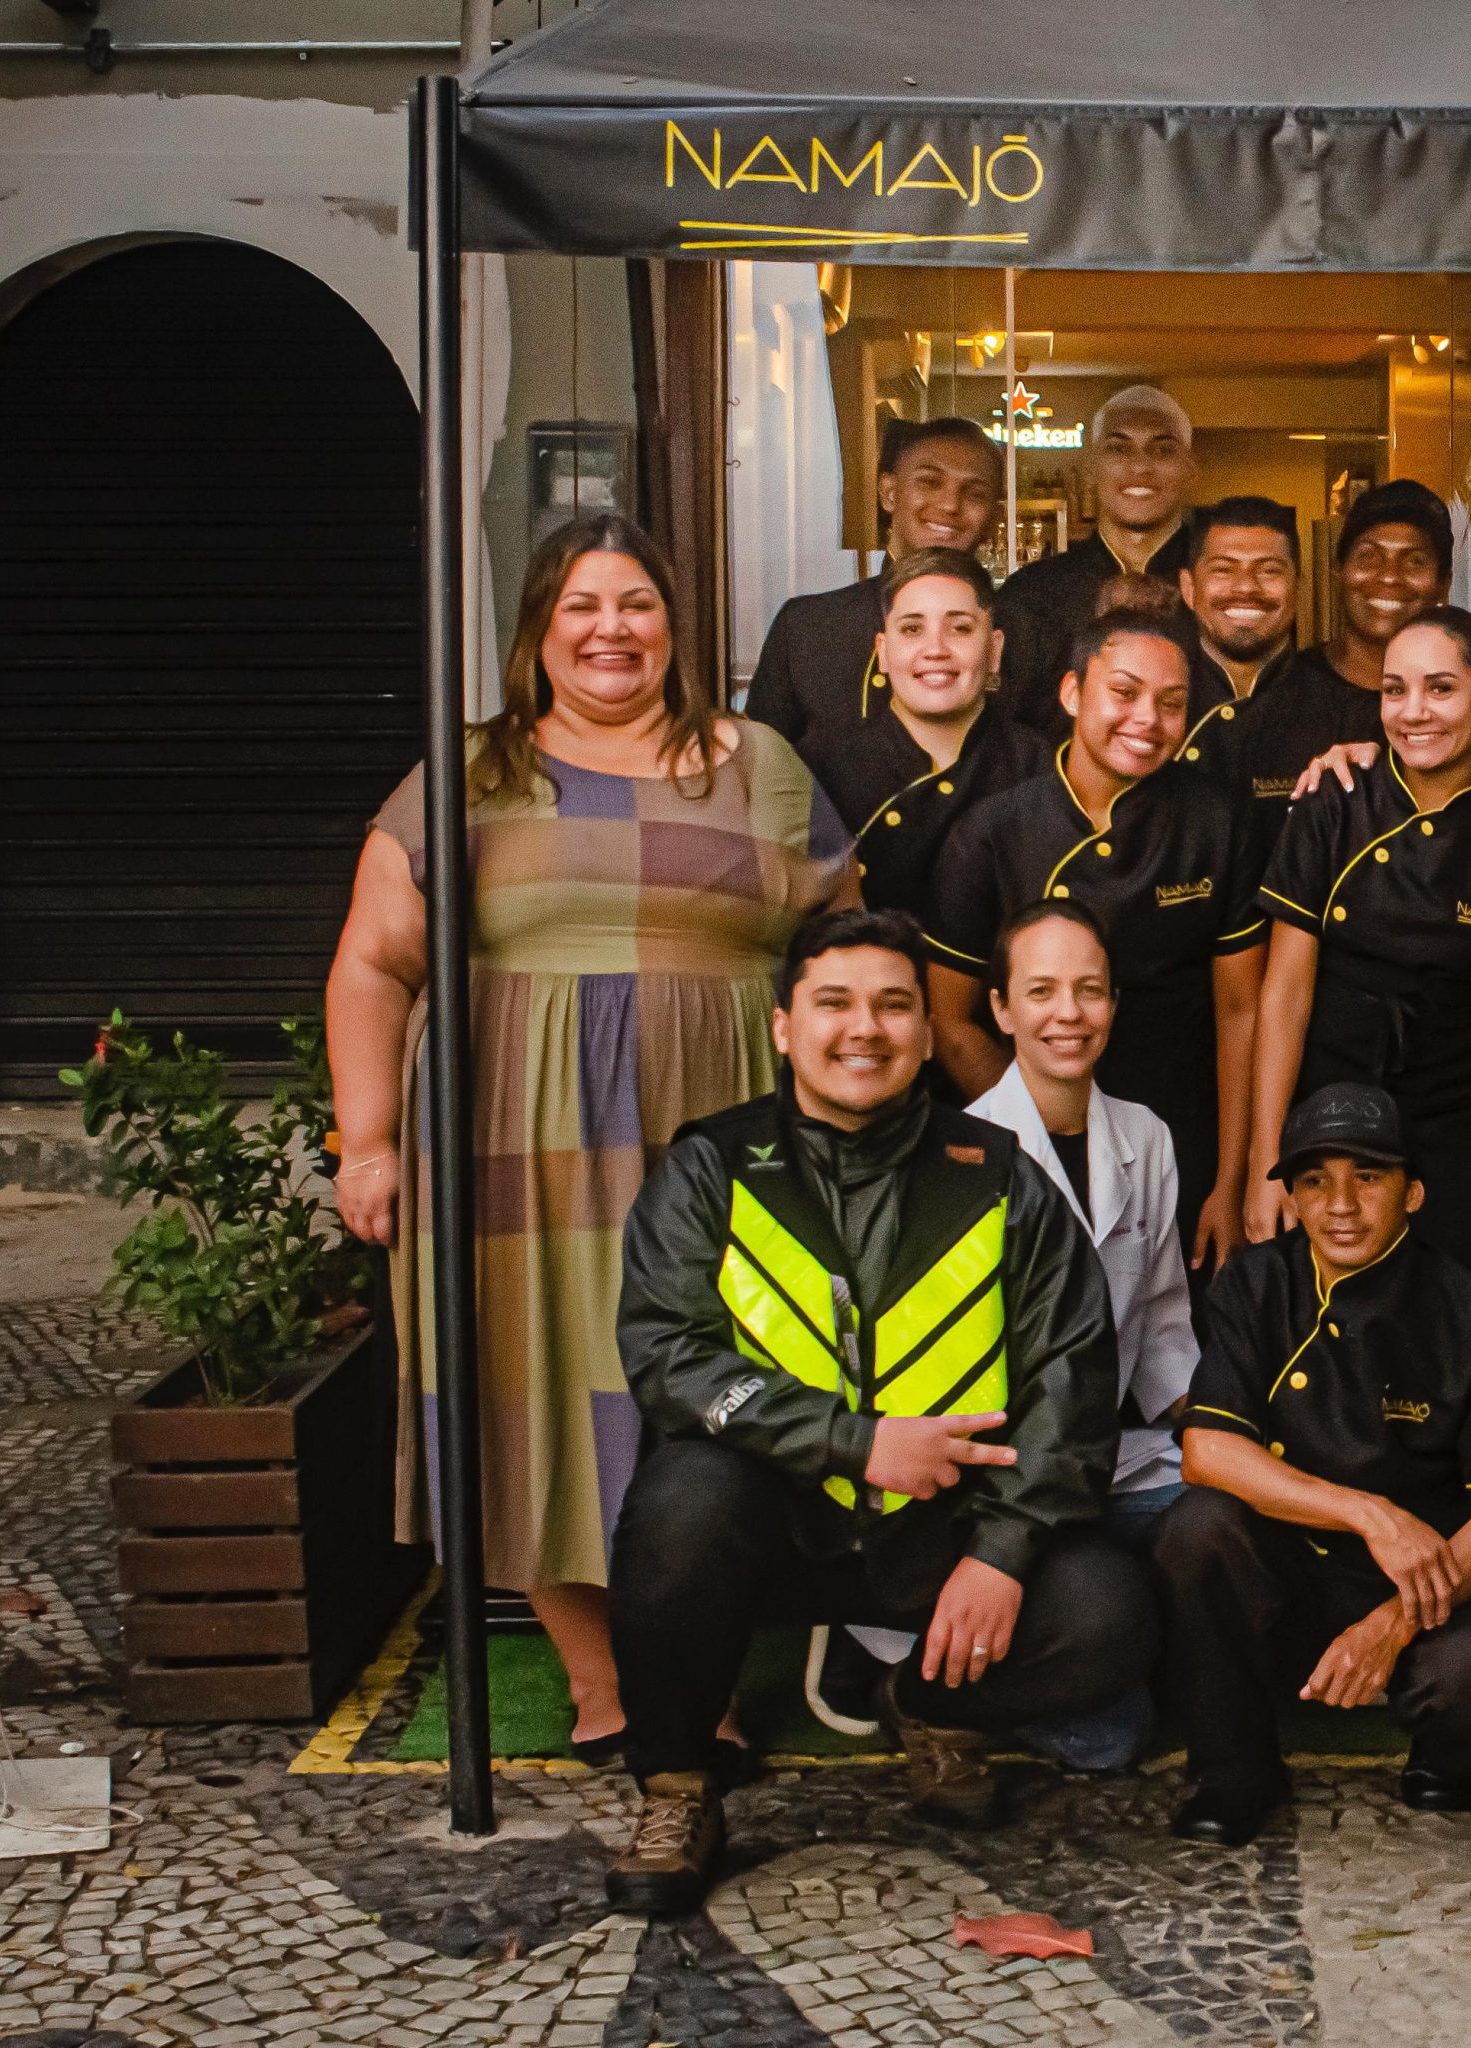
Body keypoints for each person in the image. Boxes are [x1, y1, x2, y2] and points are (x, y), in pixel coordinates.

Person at [325, 514, 857, 1767]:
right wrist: (368, 1142)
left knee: (711, 1391)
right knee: (538, 1388)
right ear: (538, 630)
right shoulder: (463, 775)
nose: (611, 628)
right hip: (513, 1131)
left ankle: (699, 1678)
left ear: (676, 629)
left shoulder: (761, 762)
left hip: (718, 1133)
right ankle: (597, 1679)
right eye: (581, 605)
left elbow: (845, 952)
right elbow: (370, 963)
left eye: (636, 604)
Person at [601, 907, 1152, 1914]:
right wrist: (855, 1442)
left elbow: (1070, 1384)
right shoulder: (710, 1166)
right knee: (677, 1502)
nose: (866, 1028)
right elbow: (670, 1356)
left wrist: (1001, 1551)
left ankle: (931, 1706)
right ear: (782, 1027)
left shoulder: (1000, 1178)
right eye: (835, 1003)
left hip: (942, 1531)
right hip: (767, 1520)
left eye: (894, 1004)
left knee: (1105, 1608)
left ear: (927, 1028)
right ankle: (677, 1784)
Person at [1158, 1082, 1471, 1846]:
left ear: (1414, 1191)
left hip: (1424, 1583)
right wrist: (1371, 1513)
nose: (1340, 1203)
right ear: (1293, 1200)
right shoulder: (1255, 1283)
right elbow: (1207, 1452)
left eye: (1367, 1177)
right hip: (1289, 1566)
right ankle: (1233, 1770)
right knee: (1196, 1529)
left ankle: (1442, 1755)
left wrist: (1391, 1624)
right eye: (1314, 1181)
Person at [1247, 607, 1471, 1288]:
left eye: (1440, 688)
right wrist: (1265, 1163)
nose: (1413, 711)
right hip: (1327, 1113)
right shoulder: (1336, 800)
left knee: (1458, 1328)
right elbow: (1284, 994)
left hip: (1451, 1127)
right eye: (1395, 690)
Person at [927, 605, 1267, 1269]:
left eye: (1172, 703)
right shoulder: (992, 832)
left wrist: (1231, 1180)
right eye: (1124, 693)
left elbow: (1241, 1009)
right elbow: (951, 1020)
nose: (1147, 721)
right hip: (1032, 1133)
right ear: (1072, 693)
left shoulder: (1218, 823)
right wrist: (1033, 1137)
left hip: (1185, 1124)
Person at [968, 900, 1200, 1769]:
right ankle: (934, 1696)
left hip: (1114, 1456)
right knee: (1110, 1742)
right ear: (1002, 1010)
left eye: (1089, 991)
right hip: (1008, 1477)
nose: (1068, 1014)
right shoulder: (964, 1151)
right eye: (1041, 991)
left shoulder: (1145, 1136)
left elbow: (1167, 1319)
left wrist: (1215, 1430)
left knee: (1224, 1512)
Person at [795, 548, 1049, 931]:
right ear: (883, 651)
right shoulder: (823, 766)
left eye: (960, 628)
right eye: (913, 629)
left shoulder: (1036, 765)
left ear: (994, 650)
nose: (936, 650)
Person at [745, 415, 1003, 774]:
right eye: (929, 482)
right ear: (889, 493)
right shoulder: (807, 627)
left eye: (974, 493)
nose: (949, 505)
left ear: (994, 516)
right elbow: (762, 774)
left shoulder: (1023, 630)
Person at [1230, 478, 1451, 862]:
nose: (1389, 576)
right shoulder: (1274, 696)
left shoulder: (1464, 711)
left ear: (1443, 584)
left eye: (1414, 560)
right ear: (1339, 571)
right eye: (1369, 556)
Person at [996, 386, 1198, 736]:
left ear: (1190, 469)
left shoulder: (1218, 589)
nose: (1140, 466)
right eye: (1119, 448)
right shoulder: (1032, 594)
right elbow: (1009, 731)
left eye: (1163, 450)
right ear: (1089, 467)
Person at [1175, 495, 1303, 791]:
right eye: (1223, 569)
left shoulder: (1343, 715)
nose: (1246, 586)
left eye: (1269, 570)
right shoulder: (1150, 708)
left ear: (1298, 589)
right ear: (1189, 588)